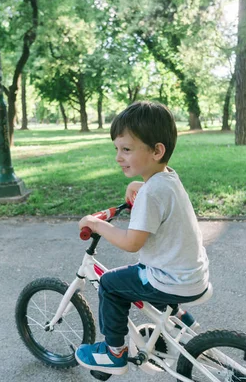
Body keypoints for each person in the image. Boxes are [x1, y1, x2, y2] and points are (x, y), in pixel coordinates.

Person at [76, 101, 210, 375]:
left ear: (156, 151)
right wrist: (138, 183)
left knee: (111, 284)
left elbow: (131, 243)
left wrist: (96, 224)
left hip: (171, 279)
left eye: (126, 149)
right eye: (117, 149)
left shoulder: (151, 194)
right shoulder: (168, 178)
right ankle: (182, 322)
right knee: (144, 275)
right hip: (191, 275)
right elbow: (156, 190)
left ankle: (113, 353)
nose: (118, 157)